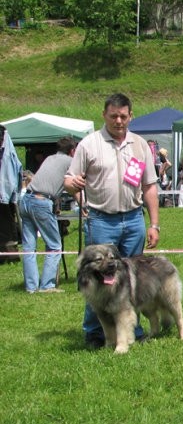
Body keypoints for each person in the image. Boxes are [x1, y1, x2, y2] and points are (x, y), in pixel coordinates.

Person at [64, 93, 160, 348]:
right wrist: (73, 185)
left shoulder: (140, 145)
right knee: (96, 279)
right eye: (113, 116)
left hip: (133, 220)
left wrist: (153, 224)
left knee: (131, 280)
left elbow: (149, 186)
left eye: (123, 116)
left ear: (131, 116)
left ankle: (131, 331)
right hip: (101, 220)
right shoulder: (89, 144)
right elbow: (69, 179)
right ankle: (95, 332)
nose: (119, 121)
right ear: (104, 115)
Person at [19, 136, 76, 294]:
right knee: (54, 246)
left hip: (25, 200)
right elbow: (74, 185)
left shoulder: (50, 158)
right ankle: (47, 286)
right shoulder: (70, 162)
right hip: (41, 202)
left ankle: (31, 287)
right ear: (72, 150)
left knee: (29, 247)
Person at [0, 124, 23, 265]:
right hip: (4, 194)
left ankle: (11, 255)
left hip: (5, 196)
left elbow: (12, 174)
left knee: (7, 226)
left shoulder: (7, 153)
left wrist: (11, 195)